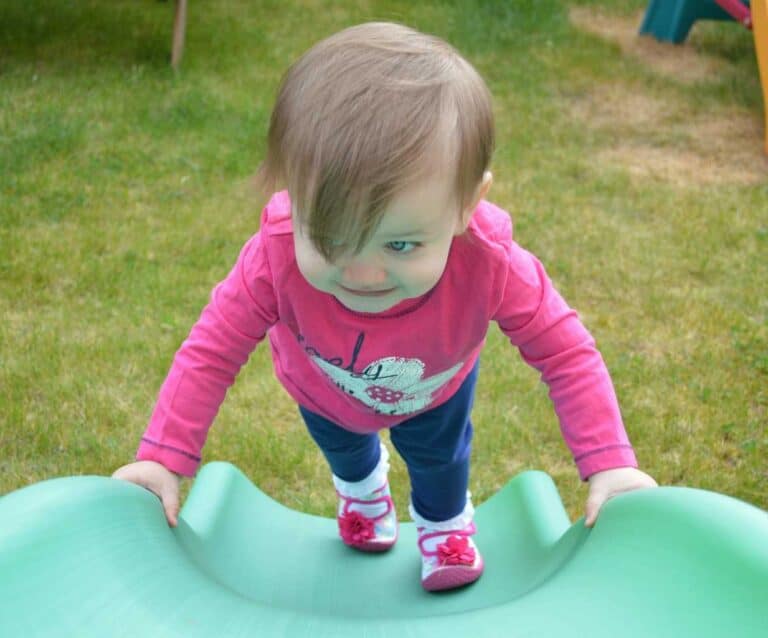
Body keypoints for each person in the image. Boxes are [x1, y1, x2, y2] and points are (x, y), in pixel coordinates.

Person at [112, 22, 657, 592]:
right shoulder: (273, 259)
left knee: (440, 461)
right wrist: (163, 459)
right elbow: (212, 350)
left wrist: (610, 463)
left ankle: (445, 527)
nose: (363, 274)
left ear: (467, 205)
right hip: (323, 390)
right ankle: (363, 494)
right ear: (293, 197)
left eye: (400, 245)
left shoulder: (491, 263)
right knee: (345, 450)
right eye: (330, 238)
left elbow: (565, 353)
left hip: (434, 391)